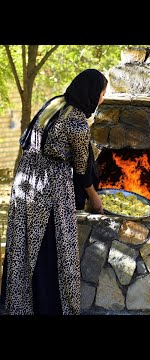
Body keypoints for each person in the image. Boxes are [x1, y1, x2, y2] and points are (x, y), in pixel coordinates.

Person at [0, 69, 108, 315]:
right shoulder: (78, 123)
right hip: (49, 188)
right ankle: (47, 308)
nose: (102, 98)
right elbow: (82, 172)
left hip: (25, 179)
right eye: (102, 93)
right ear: (92, 93)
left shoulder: (55, 103)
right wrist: (95, 199)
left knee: (25, 243)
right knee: (49, 248)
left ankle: (20, 305)